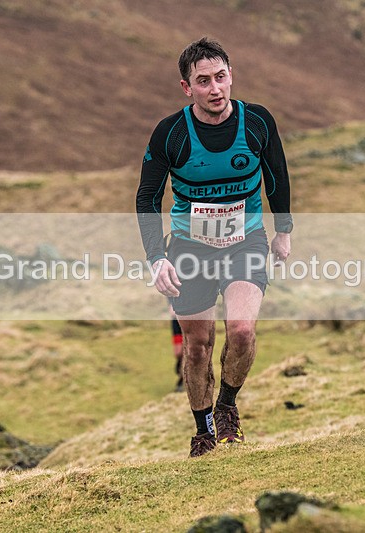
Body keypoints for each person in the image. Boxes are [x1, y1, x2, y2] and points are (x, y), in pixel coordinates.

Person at [136, 37, 293, 458]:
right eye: (202, 81)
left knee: (241, 330)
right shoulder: (170, 133)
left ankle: (226, 407)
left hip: (246, 242)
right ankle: (203, 430)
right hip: (190, 248)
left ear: (231, 76)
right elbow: (147, 198)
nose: (215, 88)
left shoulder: (257, 121)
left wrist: (284, 230)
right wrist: (156, 259)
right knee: (198, 344)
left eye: (220, 77)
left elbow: (276, 174)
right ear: (187, 88)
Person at [169, 303, 185, 393]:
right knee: (178, 352)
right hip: (176, 321)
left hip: (188, 318)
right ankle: (180, 364)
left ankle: (181, 381)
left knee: (187, 351)